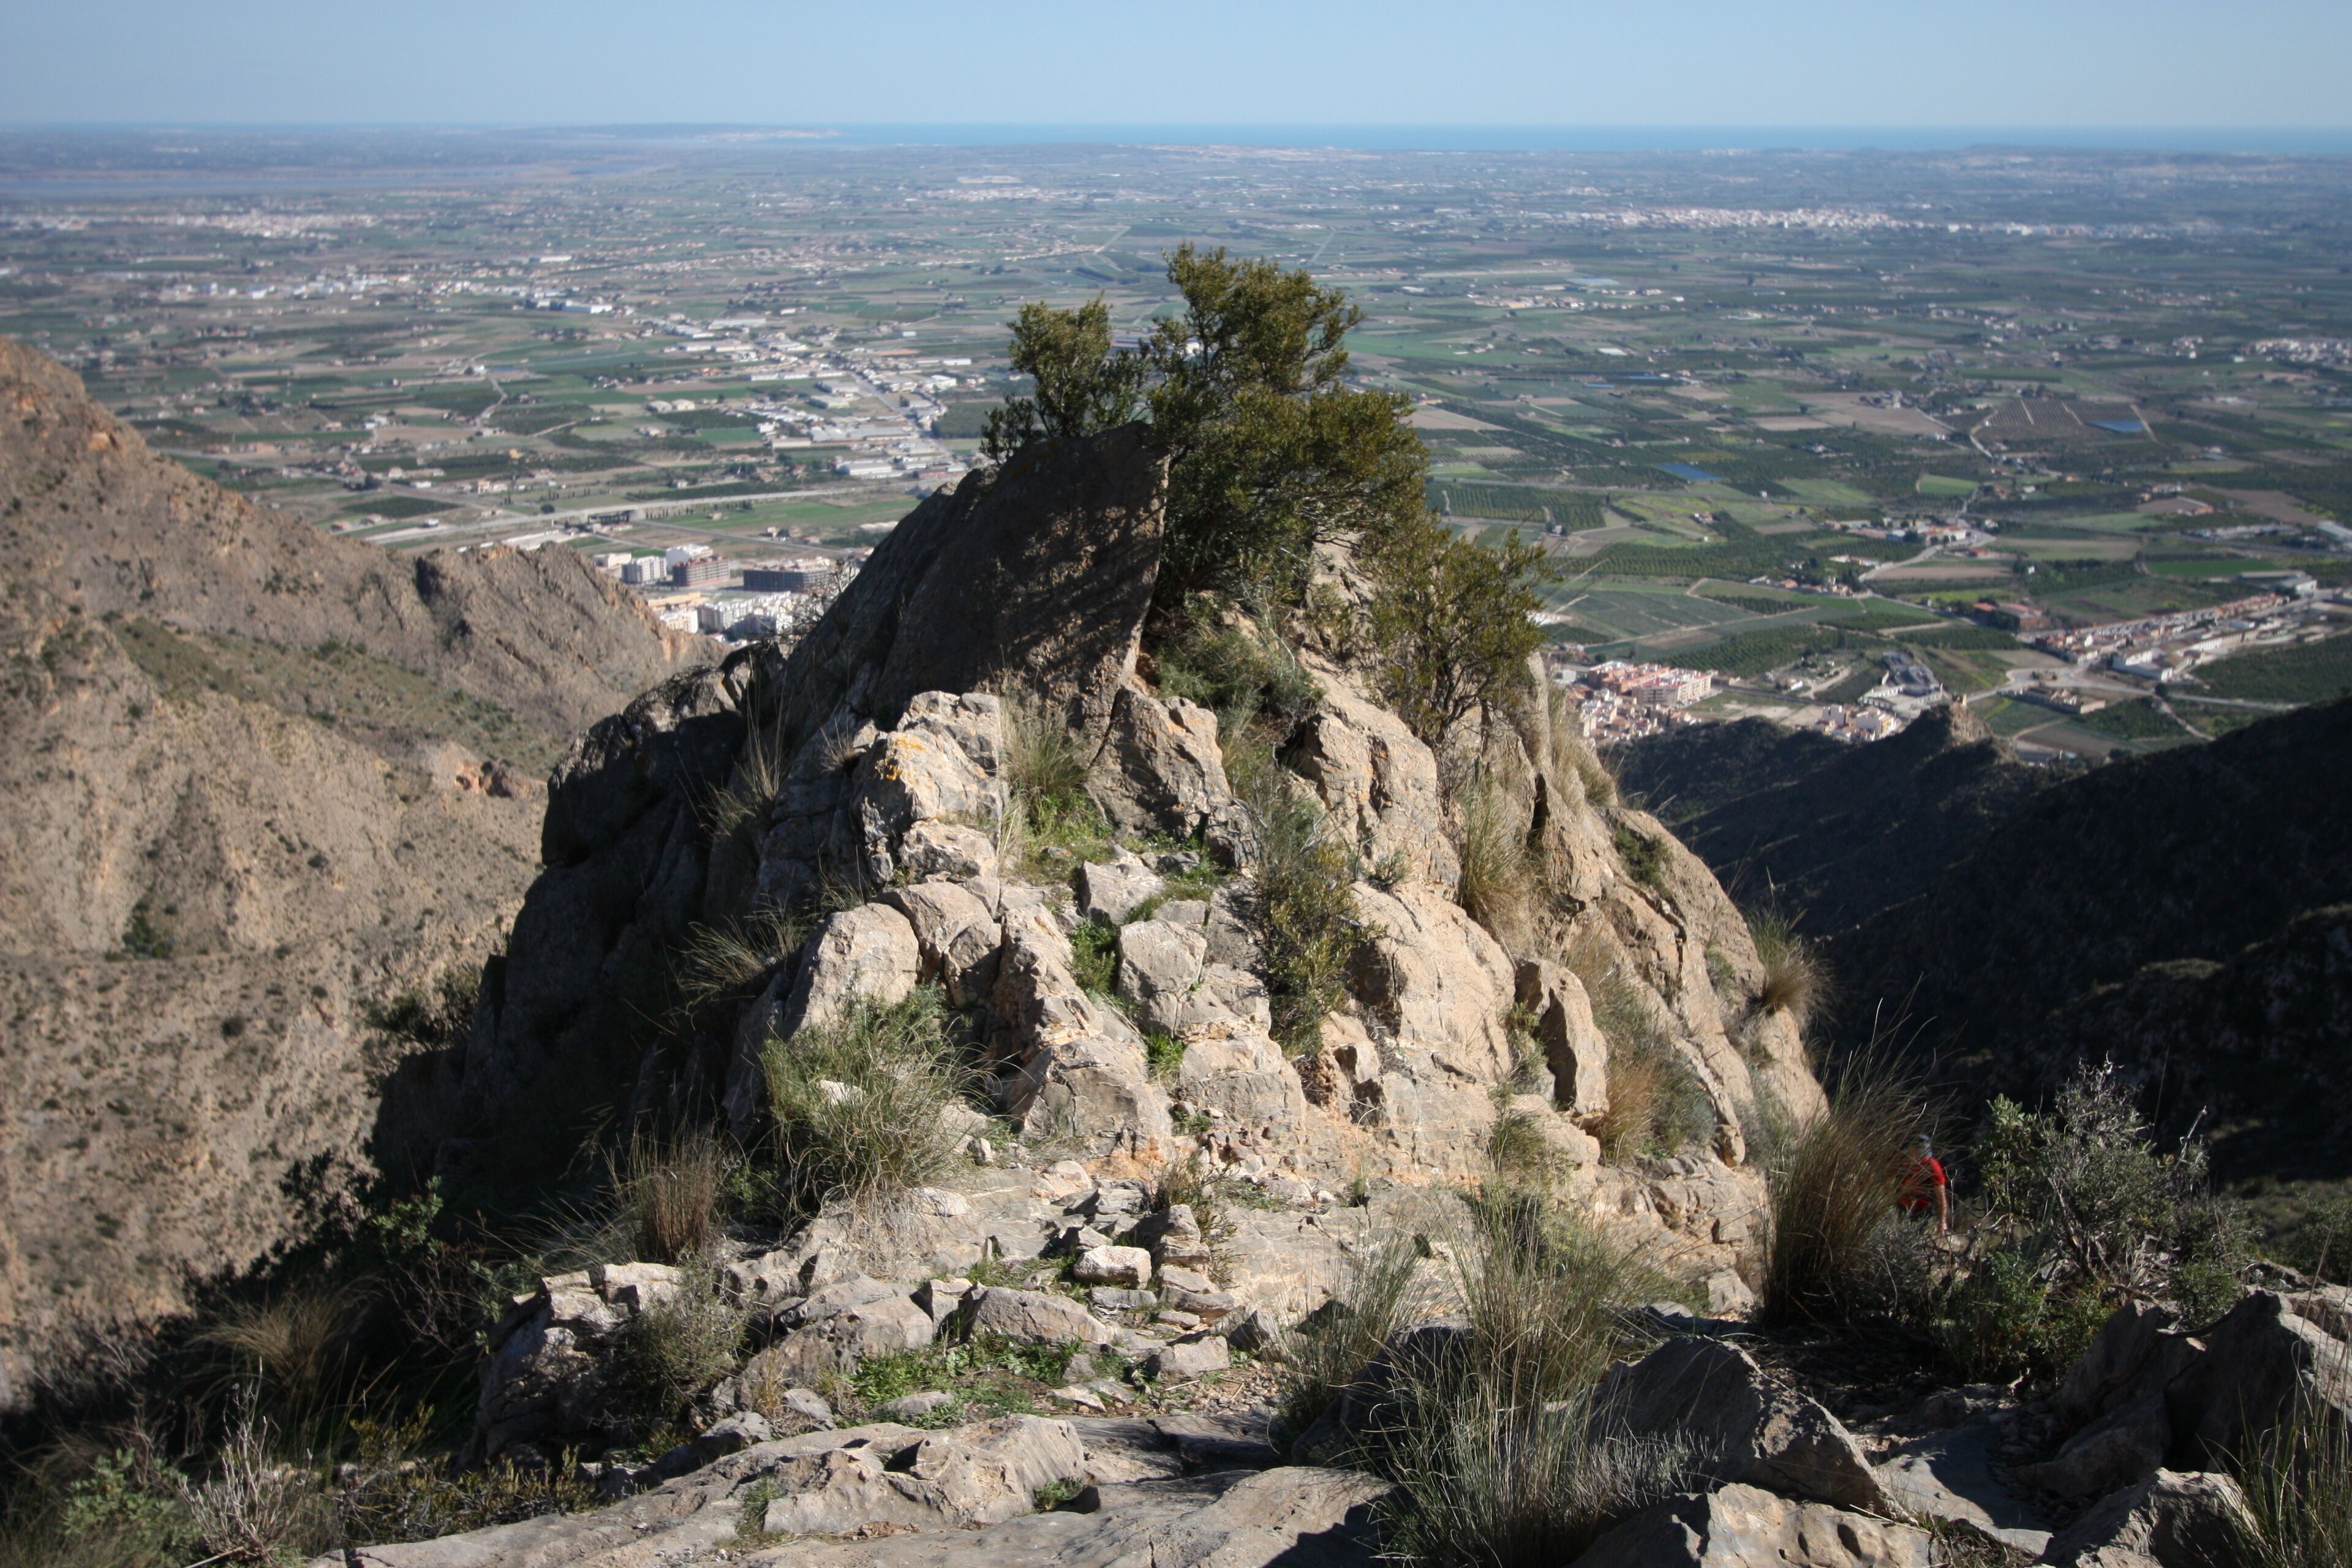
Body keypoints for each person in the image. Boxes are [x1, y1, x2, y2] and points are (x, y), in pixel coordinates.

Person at [1901, 1136, 1950, 1234]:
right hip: (1901, 1206)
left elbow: (1941, 1197)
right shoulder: (1900, 1163)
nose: (1921, 1157)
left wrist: (1942, 1222)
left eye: (1923, 1154)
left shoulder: (1932, 1166)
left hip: (1922, 1209)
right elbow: (1887, 1186)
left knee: (1914, 1235)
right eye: (1918, 1153)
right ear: (1911, 1149)